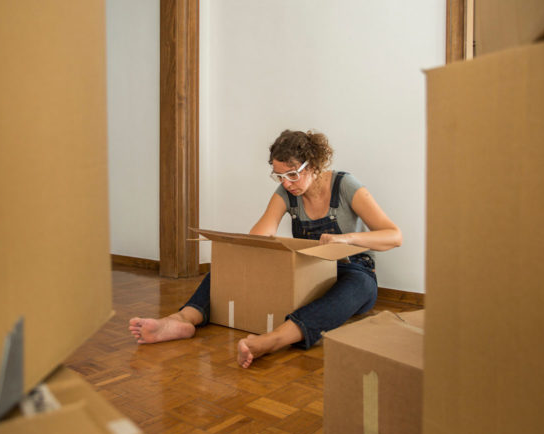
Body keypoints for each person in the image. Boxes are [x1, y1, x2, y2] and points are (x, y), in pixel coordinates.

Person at [129, 129, 402, 368]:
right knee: (236, 262)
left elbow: (393, 236)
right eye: (279, 176)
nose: (286, 183)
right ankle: (181, 319)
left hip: (353, 269)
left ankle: (272, 341)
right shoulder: (286, 192)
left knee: (359, 288)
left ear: (314, 164)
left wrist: (346, 239)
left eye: (293, 174)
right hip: (309, 271)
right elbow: (260, 235)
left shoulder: (345, 185)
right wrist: (244, 257)